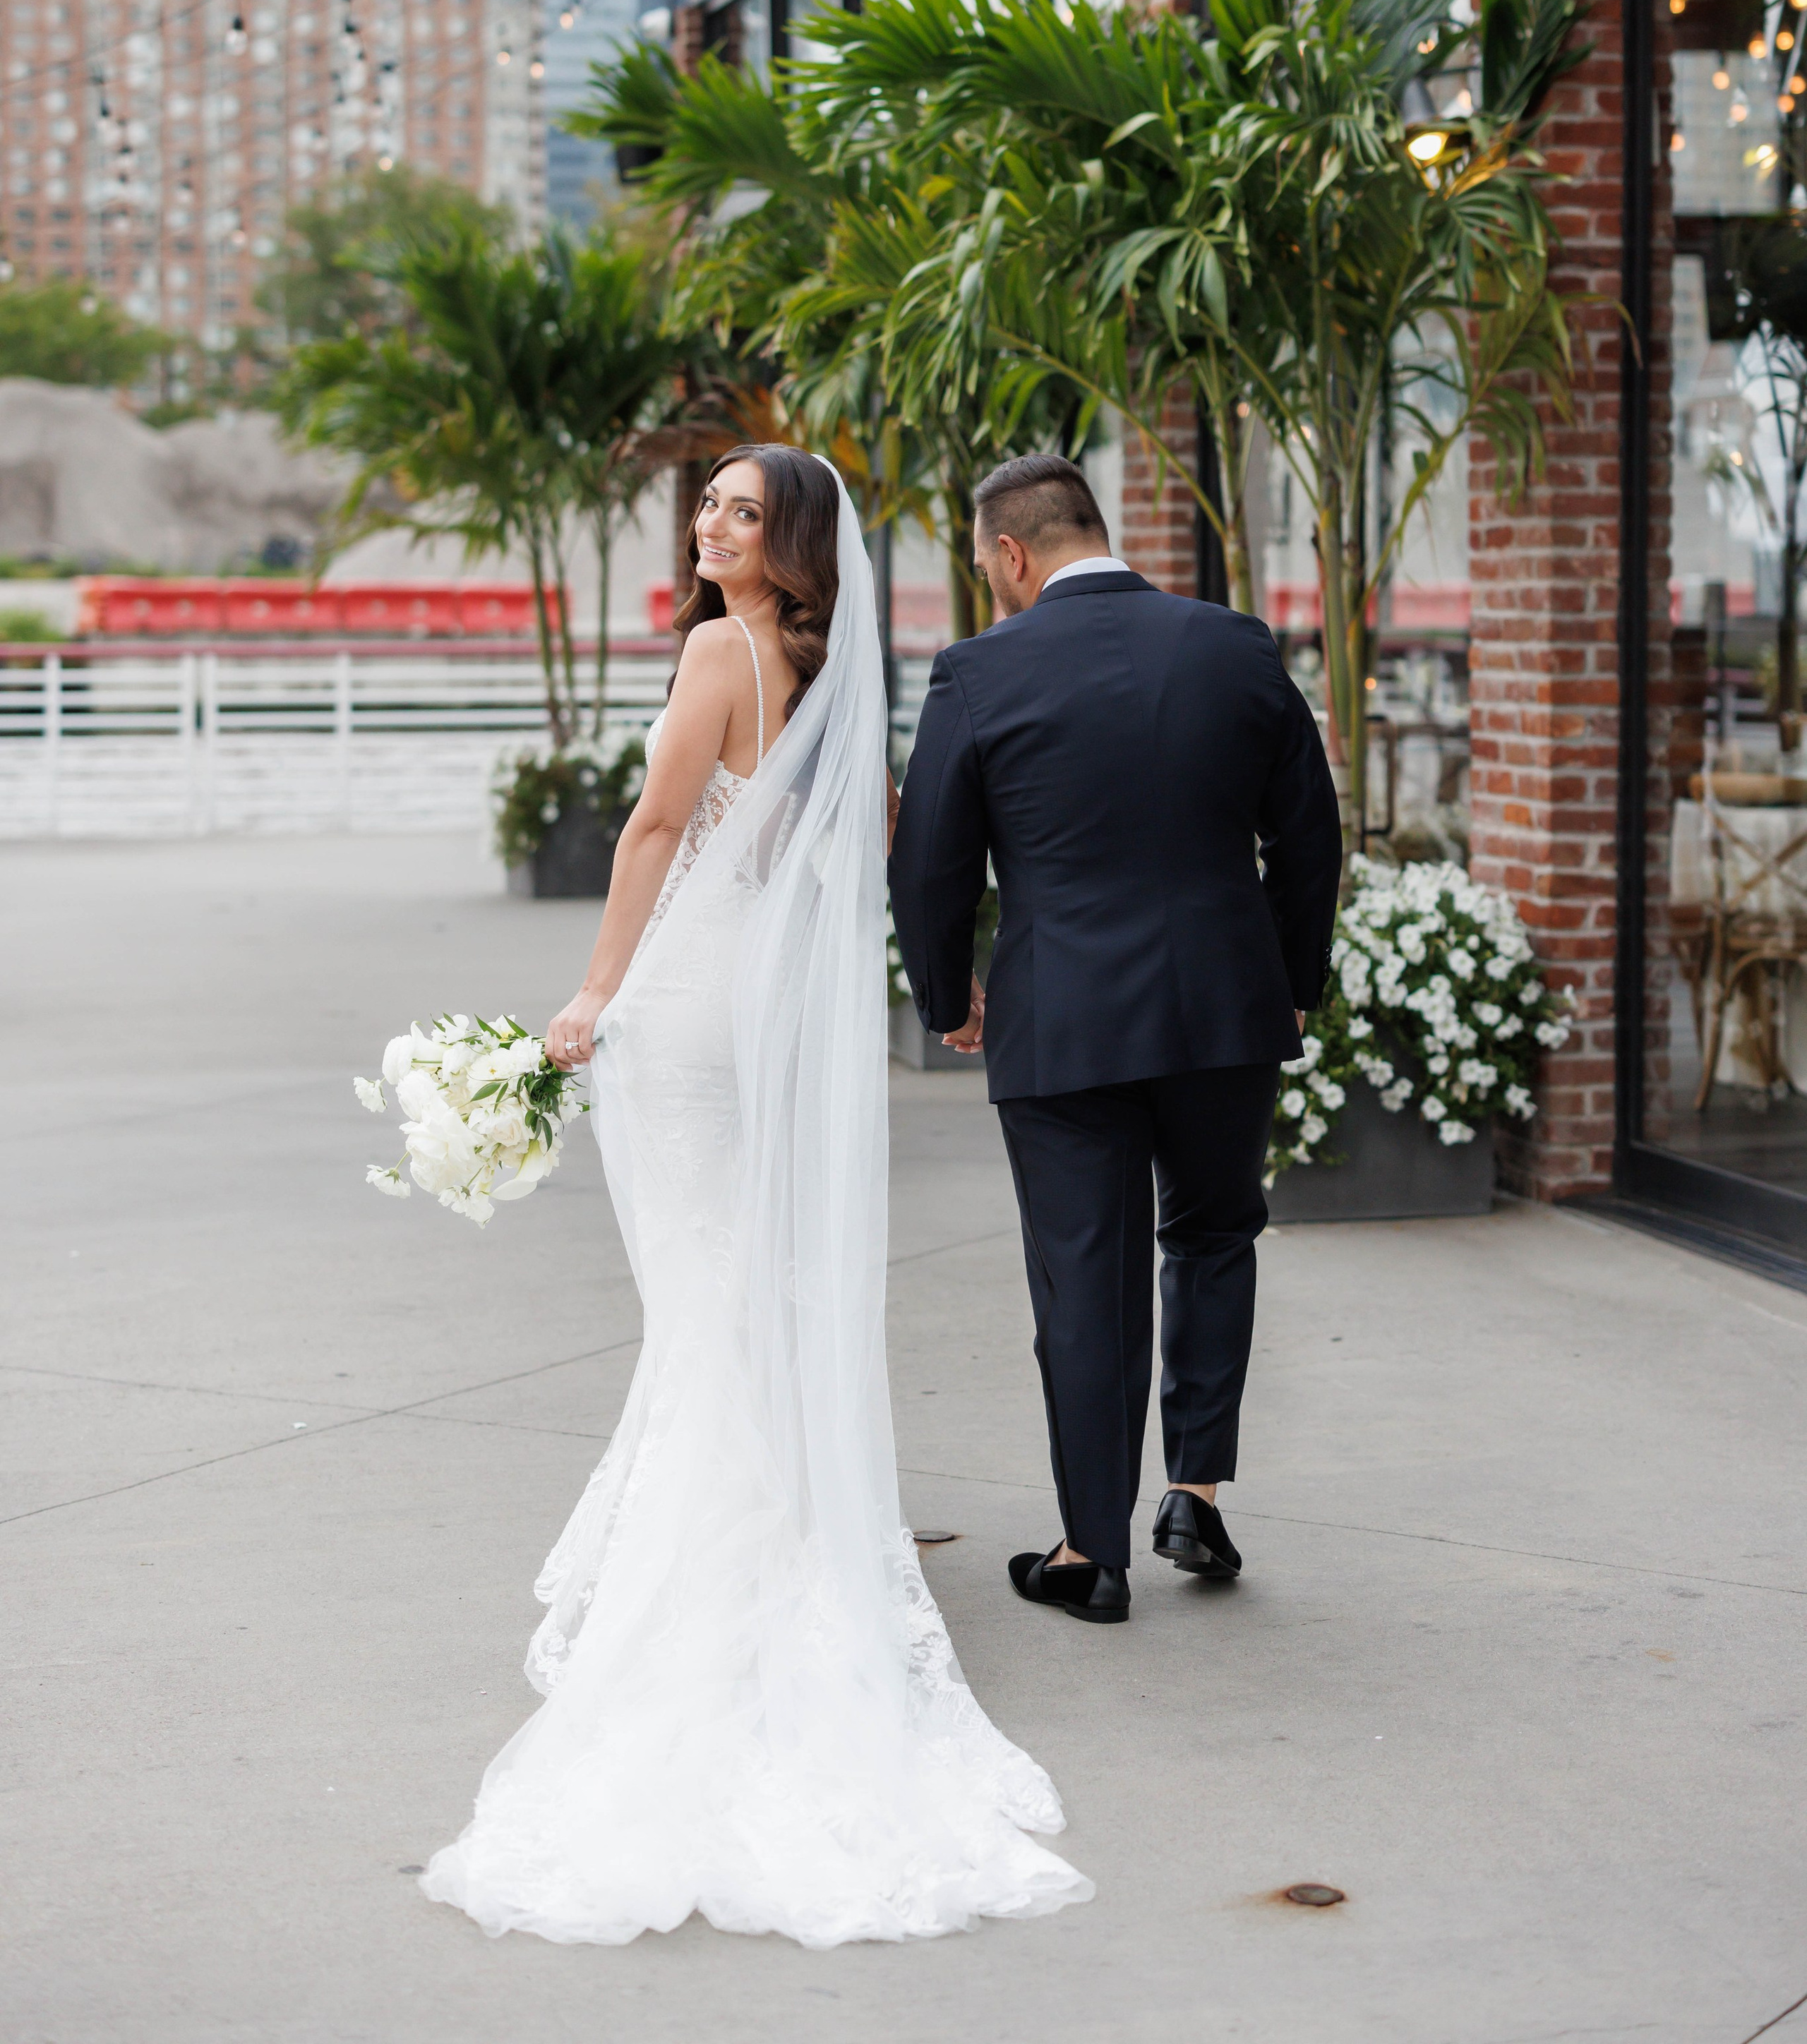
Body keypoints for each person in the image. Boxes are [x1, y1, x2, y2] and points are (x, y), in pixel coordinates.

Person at [422, 446, 1091, 1947]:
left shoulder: (722, 649)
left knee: (699, 1285)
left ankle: (728, 1562)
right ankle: (790, 1527)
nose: (708, 521)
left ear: (785, 547)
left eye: (738, 508)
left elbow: (655, 831)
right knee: (729, 1278)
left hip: (679, 1003)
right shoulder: (821, 668)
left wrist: (591, 990)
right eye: (707, 503)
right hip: (756, 1009)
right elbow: (843, 843)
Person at [887, 454, 1342, 1628]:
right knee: (1213, 1232)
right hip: (1225, 1006)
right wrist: (1296, 981)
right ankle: (1192, 1489)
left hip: (1065, 1015)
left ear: (1010, 553)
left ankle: (1092, 1553)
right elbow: (1308, 830)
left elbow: (931, 859)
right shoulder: (1236, 644)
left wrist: (946, 995)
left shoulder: (979, 672)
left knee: (1086, 1277)